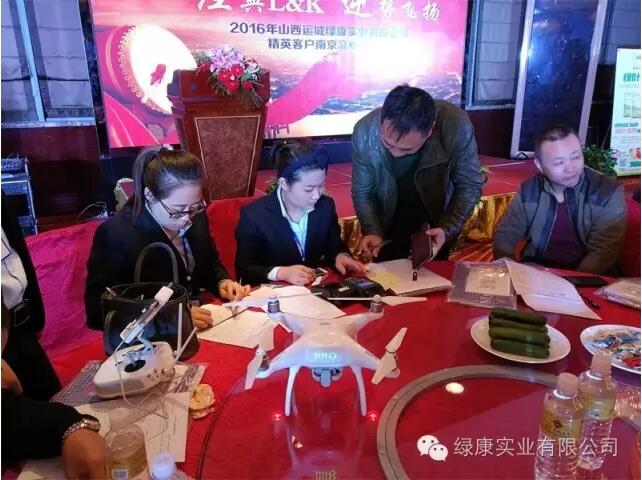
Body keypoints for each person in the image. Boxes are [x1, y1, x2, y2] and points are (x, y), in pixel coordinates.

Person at [85, 147, 249, 330]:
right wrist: (170, 317)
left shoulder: (196, 215)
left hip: (200, 328)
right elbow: (97, 310)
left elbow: (209, 264)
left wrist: (222, 282)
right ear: (150, 195)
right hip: (152, 339)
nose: (187, 219)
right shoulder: (117, 234)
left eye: (195, 207)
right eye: (177, 211)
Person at [351, 85, 483, 262]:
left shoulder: (455, 124)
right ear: (381, 122)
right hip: (387, 218)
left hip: (435, 220)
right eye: (388, 144)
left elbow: (469, 185)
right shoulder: (364, 131)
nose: (396, 153)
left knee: (432, 272)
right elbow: (363, 192)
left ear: (430, 130)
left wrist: (446, 230)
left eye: (407, 150)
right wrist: (373, 230)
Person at [493, 126, 627, 274]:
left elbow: (603, 252)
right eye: (559, 163)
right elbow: (506, 235)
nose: (570, 168)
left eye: (576, 157)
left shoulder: (607, 191)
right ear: (539, 165)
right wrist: (510, 271)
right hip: (537, 272)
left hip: (589, 276)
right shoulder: (529, 190)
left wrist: (574, 281)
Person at [235, 140, 366, 285]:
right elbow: (244, 268)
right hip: (273, 293)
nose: (316, 195)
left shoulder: (325, 206)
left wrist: (340, 256)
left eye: (321, 186)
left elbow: (333, 245)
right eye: (308, 189)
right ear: (284, 183)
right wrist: (280, 273)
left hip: (313, 291)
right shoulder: (254, 215)